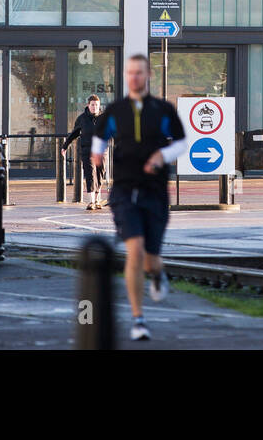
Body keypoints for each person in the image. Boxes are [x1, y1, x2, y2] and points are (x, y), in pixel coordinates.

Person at [91, 54, 186, 341]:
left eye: (139, 73)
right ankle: (138, 319)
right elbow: (100, 134)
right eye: (130, 73)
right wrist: (97, 152)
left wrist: (162, 156)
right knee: (135, 250)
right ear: (126, 76)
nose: (134, 77)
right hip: (123, 191)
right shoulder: (115, 111)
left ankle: (158, 273)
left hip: (155, 192)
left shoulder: (163, 110)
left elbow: (181, 142)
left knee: (150, 259)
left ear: (148, 76)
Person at [61, 95, 105, 210]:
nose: (94, 107)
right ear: (88, 105)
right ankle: (91, 202)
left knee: (99, 175)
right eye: (92, 105)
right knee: (90, 173)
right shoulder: (82, 118)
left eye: (96, 105)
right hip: (87, 150)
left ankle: (97, 200)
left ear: (99, 106)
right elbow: (74, 133)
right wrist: (65, 146)